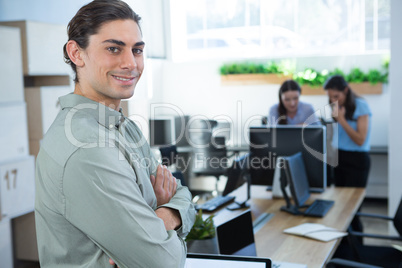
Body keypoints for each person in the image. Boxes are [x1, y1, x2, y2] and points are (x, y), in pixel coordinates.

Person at [34, 1, 196, 267]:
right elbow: (162, 261)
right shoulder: (87, 147)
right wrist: (166, 213)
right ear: (76, 53)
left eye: (137, 50)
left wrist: (165, 216)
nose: (131, 63)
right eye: (113, 49)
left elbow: (181, 191)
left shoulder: (123, 126)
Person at [324, 75, 372, 187]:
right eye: (330, 97)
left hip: (357, 159)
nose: (333, 100)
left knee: (353, 200)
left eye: (336, 96)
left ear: (345, 90)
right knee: (340, 199)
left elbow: (360, 140)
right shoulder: (338, 106)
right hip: (339, 156)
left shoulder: (361, 105)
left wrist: (341, 120)